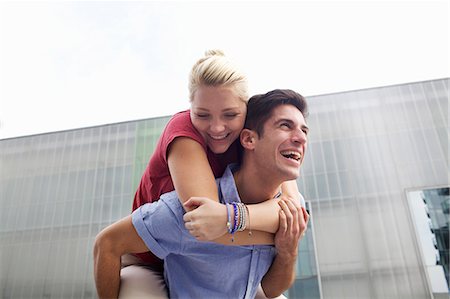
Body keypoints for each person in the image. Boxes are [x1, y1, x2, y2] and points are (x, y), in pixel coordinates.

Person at [118, 50, 305, 298]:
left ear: (246, 113)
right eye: (202, 115)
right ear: (191, 108)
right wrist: (281, 233)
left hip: (195, 262)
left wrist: (235, 217)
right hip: (149, 259)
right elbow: (208, 225)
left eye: (230, 115)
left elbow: (290, 205)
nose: (217, 127)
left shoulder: (250, 138)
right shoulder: (184, 133)